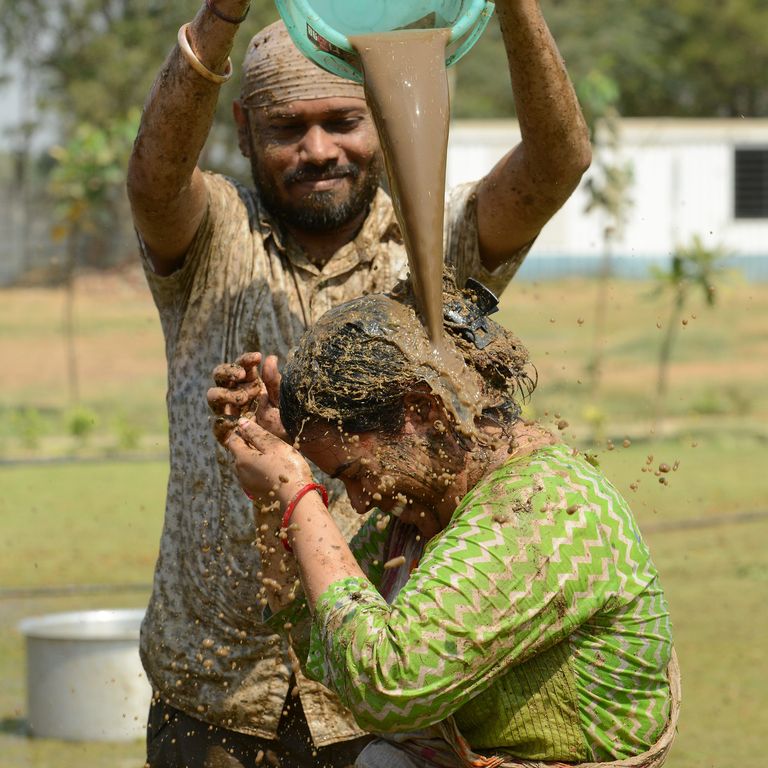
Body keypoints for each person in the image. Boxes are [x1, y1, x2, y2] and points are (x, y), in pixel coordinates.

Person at [127, 0, 591, 763]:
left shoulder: (437, 236)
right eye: (287, 129)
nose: (318, 150)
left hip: (388, 700)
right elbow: (153, 181)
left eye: (342, 121)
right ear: (244, 130)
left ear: (379, 112)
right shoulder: (212, 233)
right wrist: (221, 15)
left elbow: (558, 164)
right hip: (211, 688)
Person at [214, 275, 680, 768]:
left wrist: (298, 491)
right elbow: (317, 632)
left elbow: (387, 685)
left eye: (354, 473)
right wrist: (273, 490)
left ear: (423, 410)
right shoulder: (423, 515)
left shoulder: (538, 509)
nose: (359, 502)